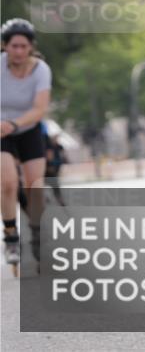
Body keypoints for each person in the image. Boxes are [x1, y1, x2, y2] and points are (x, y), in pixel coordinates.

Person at [1, 18, 52, 276]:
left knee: (34, 186)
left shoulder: (41, 70)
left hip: (28, 127)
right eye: (13, 46)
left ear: (31, 47)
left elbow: (40, 109)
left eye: (23, 46)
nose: (18, 51)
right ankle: (10, 235)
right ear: (5, 47)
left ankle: (38, 238)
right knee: (8, 182)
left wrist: (15, 122)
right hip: (1, 131)